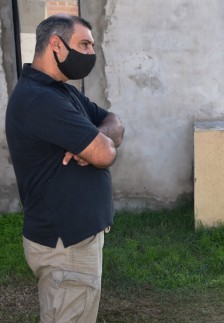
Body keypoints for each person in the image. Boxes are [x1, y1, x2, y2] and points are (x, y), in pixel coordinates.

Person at [5, 14, 124, 322]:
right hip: (65, 246)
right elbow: (105, 155)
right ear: (56, 45)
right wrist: (99, 146)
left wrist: (99, 139)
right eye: (83, 44)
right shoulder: (40, 99)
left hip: (74, 240)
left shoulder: (63, 91)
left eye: (92, 46)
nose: (90, 54)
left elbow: (115, 122)